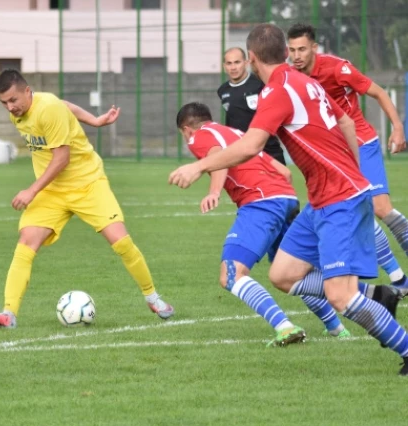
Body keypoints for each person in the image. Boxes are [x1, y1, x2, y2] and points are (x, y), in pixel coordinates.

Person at [169, 24, 408, 374]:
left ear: (251, 59)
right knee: (283, 275)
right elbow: (346, 122)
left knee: (340, 296)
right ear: (284, 52)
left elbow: (251, 145)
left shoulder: (278, 90)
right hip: (322, 199)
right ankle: (379, 296)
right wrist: (353, 170)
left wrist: (199, 166)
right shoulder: (306, 82)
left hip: (339, 198)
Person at [177, 102, 402, 345]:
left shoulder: (199, 136)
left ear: (186, 129)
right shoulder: (235, 133)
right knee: (292, 273)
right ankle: (346, 320)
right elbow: (283, 171)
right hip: (284, 197)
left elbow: (215, 157)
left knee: (231, 273)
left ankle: (285, 327)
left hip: (260, 202)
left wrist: (214, 191)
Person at [0, 69, 173, 328]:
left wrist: (31, 190)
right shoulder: (23, 112)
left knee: (121, 241)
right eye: (4, 102)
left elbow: (62, 158)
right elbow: (65, 105)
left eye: (13, 100)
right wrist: (94, 120)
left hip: (87, 184)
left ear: (27, 91)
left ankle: (153, 297)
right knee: (26, 242)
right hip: (52, 191)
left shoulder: (47, 108)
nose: (10, 107)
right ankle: (8, 314)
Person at [287, 23, 408, 290]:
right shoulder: (291, 78)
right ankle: (399, 278)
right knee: (358, 213)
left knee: (380, 208)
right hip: (334, 154)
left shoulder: (337, 68)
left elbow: (378, 92)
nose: (296, 55)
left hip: (362, 143)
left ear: (314, 48)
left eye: (302, 49)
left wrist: (398, 127)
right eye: (292, 50)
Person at [217, 47, 286, 164]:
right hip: (241, 154)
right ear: (224, 66)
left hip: (268, 151)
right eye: (229, 63)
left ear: (246, 62)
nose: (233, 67)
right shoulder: (222, 90)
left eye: (237, 62)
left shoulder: (261, 83)